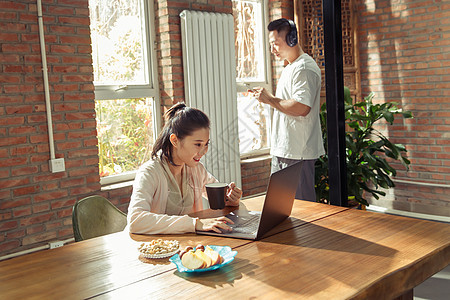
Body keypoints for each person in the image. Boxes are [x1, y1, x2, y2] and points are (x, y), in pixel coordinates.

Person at [127, 102, 242, 234]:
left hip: (186, 245)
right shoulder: (150, 172)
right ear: (175, 140)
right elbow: (136, 221)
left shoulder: (196, 169)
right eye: (198, 144)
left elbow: (220, 200)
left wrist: (231, 199)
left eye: (206, 144)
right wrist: (195, 224)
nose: (204, 151)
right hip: (153, 248)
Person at [250, 18, 324, 202]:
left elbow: (302, 107)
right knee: (281, 209)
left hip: (297, 152)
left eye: (275, 43)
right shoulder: (291, 68)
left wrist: (270, 99)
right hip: (285, 150)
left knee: (302, 210)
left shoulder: (304, 68)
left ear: (292, 39)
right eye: (270, 44)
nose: (272, 49)